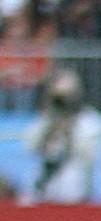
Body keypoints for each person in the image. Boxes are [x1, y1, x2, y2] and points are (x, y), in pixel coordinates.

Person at [25, 72, 97, 201]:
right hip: (47, 183)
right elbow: (31, 146)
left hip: (73, 182)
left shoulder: (87, 119)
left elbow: (88, 153)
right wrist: (49, 132)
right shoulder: (45, 119)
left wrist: (69, 130)